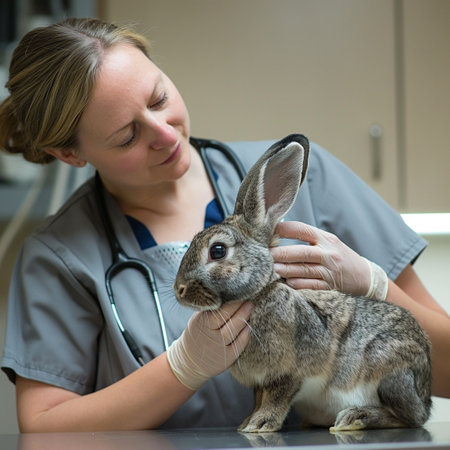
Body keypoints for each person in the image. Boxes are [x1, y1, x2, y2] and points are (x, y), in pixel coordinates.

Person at [0, 18, 448, 433]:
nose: (165, 134)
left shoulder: (309, 180)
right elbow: (43, 428)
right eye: (128, 136)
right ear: (70, 154)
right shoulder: (59, 255)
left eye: (159, 99)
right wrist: (184, 366)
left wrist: (374, 286)